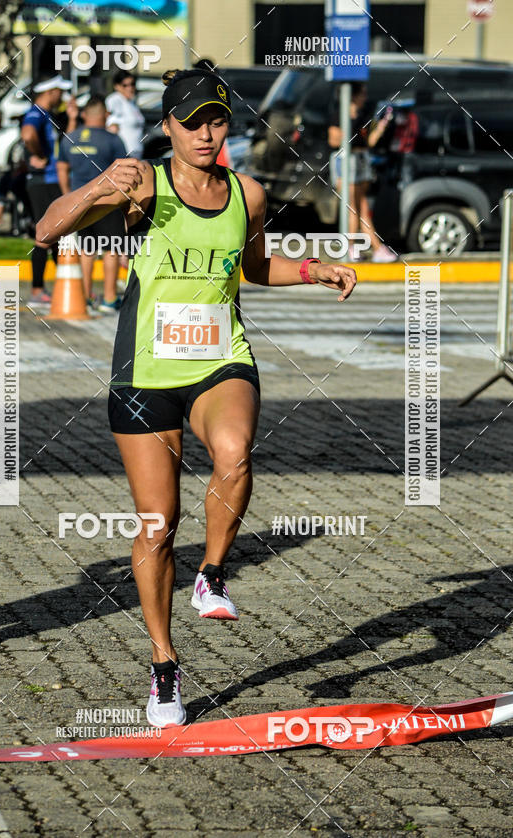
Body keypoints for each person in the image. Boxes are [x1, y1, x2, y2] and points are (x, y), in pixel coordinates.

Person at [35, 68, 357, 727]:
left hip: (219, 359)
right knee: (159, 524)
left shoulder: (248, 193)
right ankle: (163, 663)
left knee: (234, 451)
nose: (205, 134)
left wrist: (313, 269)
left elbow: (254, 266)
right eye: (191, 123)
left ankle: (210, 574)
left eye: (216, 121)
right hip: (145, 372)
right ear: (168, 128)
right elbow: (47, 231)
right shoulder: (142, 185)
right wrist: (99, 184)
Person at [57, 95, 127, 311]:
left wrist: (68, 195)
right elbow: (123, 171)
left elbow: (62, 168)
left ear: (84, 114)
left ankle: (86, 296)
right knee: (111, 248)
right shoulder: (113, 140)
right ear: (105, 115)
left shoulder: (70, 138)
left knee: (87, 248)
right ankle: (109, 299)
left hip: (81, 201)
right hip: (108, 201)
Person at [21, 75, 77, 305]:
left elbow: (65, 145)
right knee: (45, 237)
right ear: (50, 92)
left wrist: (72, 118)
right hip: (44, 181)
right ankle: (37, 290)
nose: (62, 96)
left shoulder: (48, 115)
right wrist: (38, 154)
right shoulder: (35, 113)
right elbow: (27, 134)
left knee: (58, 236)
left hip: (52, 180)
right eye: (60, 91)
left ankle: (70, 285)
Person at [328, 82, 398, 262]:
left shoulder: (363, 116)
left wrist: (381, 126)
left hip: (361, 160)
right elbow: (333, 140)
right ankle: (354, 248)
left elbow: (369, 142)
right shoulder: (339, 115)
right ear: (353, 95)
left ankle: (374, 249)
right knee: (354, 208)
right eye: (362, 94)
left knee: (362, 208)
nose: (365, 98)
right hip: (346, 160)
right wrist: (348, 132)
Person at [105, 71, 145, 158]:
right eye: (125, 85)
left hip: (136, 152)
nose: (130, 88)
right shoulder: (115, 100)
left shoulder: (131, 102)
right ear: (117, 86)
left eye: (132, 84)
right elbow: (112, 126)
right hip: (124, 153)